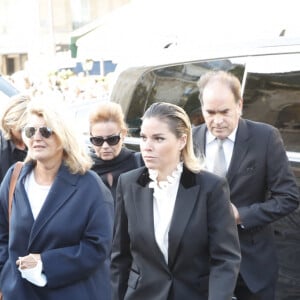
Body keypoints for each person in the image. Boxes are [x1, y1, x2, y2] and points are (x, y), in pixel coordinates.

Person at [111, 102, 241, 300]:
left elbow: (225, 259)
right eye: (144, 138)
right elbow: (120, 257)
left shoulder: (211, 187)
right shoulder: (128, 183)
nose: (147, 146)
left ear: (181, 141)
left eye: (158, 138)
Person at [192, 70, 299, 300]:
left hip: (251, 265)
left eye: (225, 112)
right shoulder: (190, 140)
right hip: (200, 266)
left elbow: (288, 196)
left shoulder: (265, 138)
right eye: (210, 112)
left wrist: (240, 215)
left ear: (239, 105)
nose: (217, 120)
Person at [0, 99, 114, 300]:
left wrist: (45, 263)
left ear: (63, 136)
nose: (37, 137)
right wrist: (7, 277)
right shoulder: (14, 178)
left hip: (73, 293)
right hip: (20, 294)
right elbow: (2, 235)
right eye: (30, 131)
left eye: (46, 131)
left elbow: (97, 247)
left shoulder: (90, 185)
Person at [89, 101, 143, 201]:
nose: (105, 146)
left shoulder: (139, 163)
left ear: (123, 134)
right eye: (98, 140)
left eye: (112, 139)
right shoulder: (83, 169)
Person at [0, 94, 30, 184]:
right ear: (10, 123)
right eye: (22, 127)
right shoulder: (2, 146)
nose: (26, 132)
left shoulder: (35, 142)